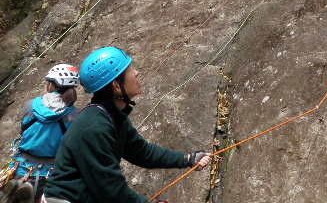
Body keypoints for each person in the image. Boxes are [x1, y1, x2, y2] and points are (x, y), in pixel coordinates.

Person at [44, 47, 212, 203]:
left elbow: (142, 152)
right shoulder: (94, 127)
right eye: (130, 70)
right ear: (116, 86)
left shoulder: (112, 117)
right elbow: (111, 190)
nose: (137, 73)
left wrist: (187, 159)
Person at [1, 64, 79, 203]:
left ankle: (17, 188)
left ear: (50, 85)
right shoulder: (73, 116)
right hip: (48, 174)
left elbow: (24, 131)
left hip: (19, 168)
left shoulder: (30, 105)